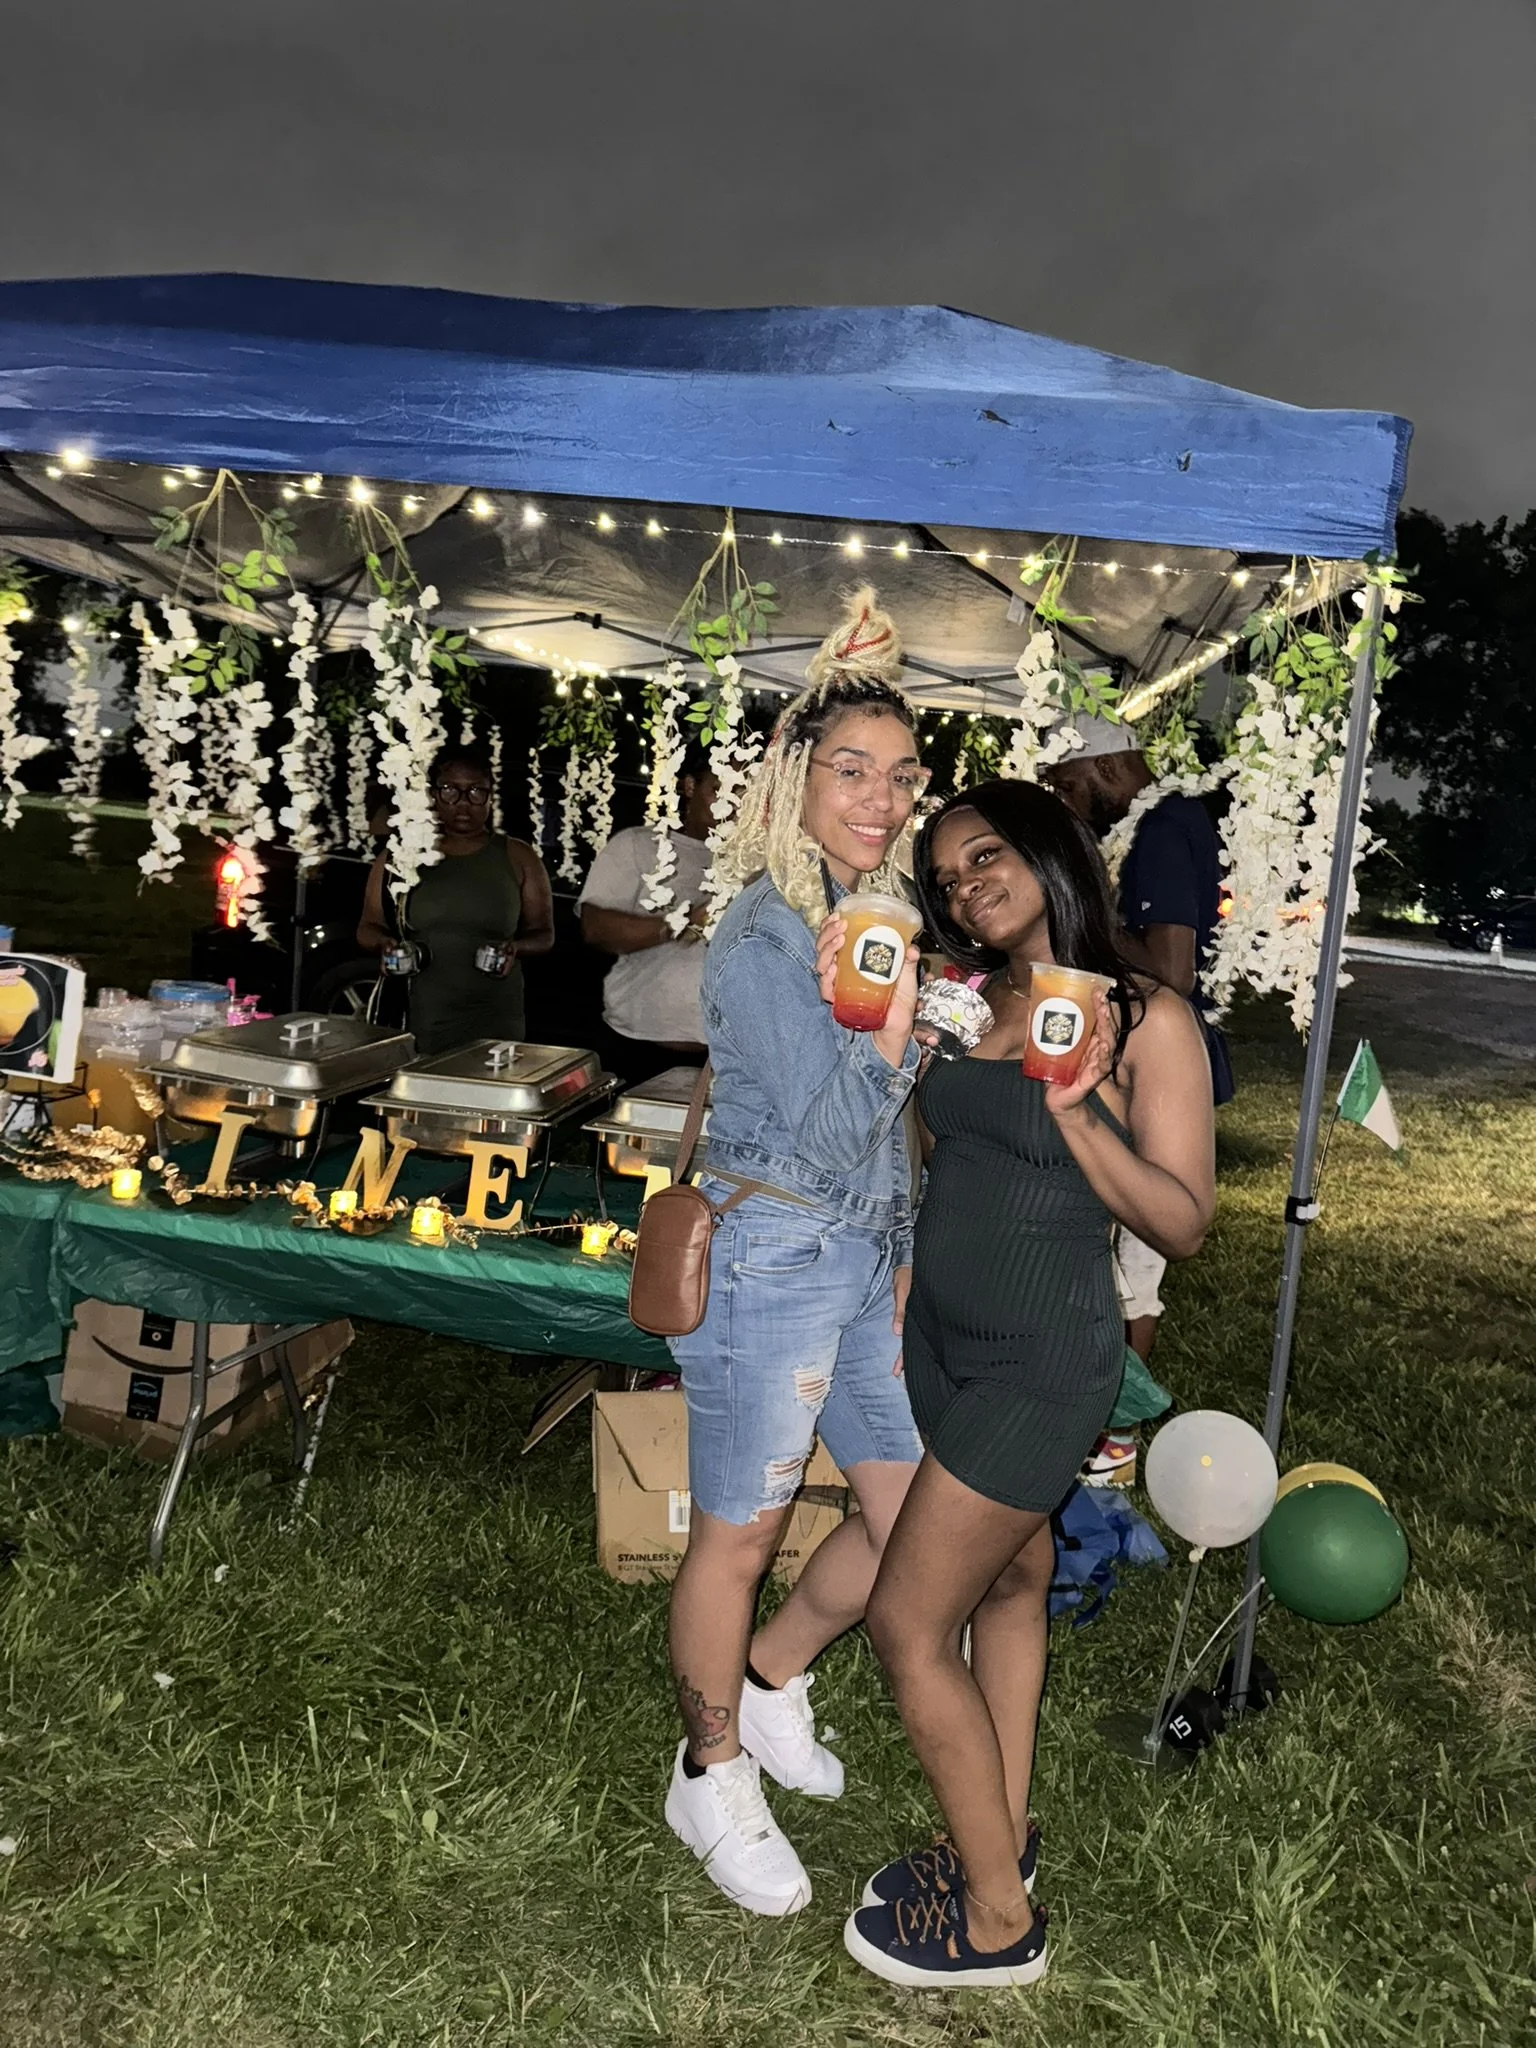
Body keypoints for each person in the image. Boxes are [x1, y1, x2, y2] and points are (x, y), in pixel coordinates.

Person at [843, 778, 1215, 1991]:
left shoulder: (1145, 1017)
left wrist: (1078, 1111)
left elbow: (1184, 1217)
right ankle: (994, 1832)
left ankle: (999, 1921)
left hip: (1044, 1357)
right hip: (944, 1337)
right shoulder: (973, 993)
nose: (964, 887)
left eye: (985, 856)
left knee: (908, 1621)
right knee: (1011, 1574)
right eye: (946, 876)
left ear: (1051, 850)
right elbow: (938, 1140)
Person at [662, 588, 928, 1918]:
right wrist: (896, 1036)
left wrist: (901, 1251)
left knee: (916, 1518)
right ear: (794, 775)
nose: (877, 799)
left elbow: (875, 1165)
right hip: (769, 1256)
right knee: (738, 1534)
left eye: (899, 778)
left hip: (862, 1265)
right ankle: (707, 1772)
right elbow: (824, 1142)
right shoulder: (769, 929)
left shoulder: (858, 908)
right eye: (849, 771)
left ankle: (770, 1682)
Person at [1045, 716, 1233, 1379]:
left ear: (1105, 769)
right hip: (1135, 1057)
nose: (1066, 804)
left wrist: (1080, 911)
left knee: (1137, 1258)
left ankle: (1112, 1427)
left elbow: (1172, 971)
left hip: (1159, 1065)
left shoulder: (1160, 828)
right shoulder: (1155, 823)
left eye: (1068, 786)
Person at [357, 744, 554, 1056]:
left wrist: (515, 948)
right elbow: (368, 926)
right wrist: (386, 945)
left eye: (476, 792)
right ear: (434, 795)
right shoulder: (401, 855)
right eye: (450, 790)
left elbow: (544, 934)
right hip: (418, 1018)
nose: (463, 803)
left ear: (490, 797)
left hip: (495, 1018)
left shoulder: (518, 857)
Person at [577, 744, 718, 1083]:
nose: (736, 801)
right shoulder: (639, 845)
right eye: (720, 788)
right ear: (689, 786)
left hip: (724, 1058)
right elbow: (595, 929)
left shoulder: (759, 863)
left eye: (748, 790)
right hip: (636, 1047)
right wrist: (684, 921)